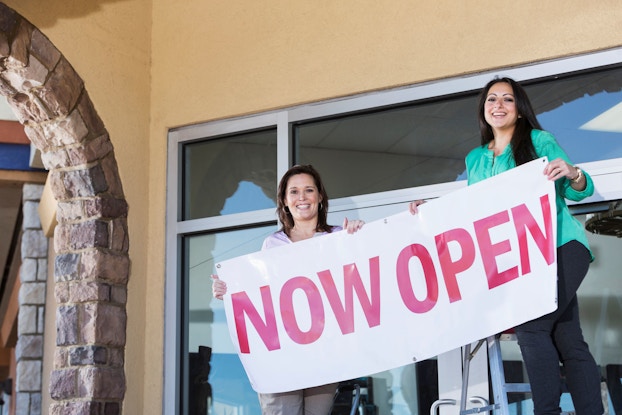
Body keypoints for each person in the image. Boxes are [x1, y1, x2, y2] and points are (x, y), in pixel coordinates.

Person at [411, 77, 603, 415]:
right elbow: (473, 210)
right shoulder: (475, 159)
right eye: (491, 100)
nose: (498, 105)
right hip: (521, 258)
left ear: (519, 109)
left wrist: (573, 173)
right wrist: (433, 208)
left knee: (532, 327)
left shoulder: (540, 140)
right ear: (483, 110)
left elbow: (577, 192)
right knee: (568, 339)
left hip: (560, 246)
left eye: (507, 100)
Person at [212, 164, 364, 415]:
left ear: (320, 197)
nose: (301, 197)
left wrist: (359, 238)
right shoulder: (272, 245)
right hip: (282, 355)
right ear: (284, 201)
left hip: (324, 354)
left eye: (308, 190)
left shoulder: (339, 237)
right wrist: (227, 288)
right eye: (294, 191)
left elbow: (365, 277)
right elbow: (258, 294)